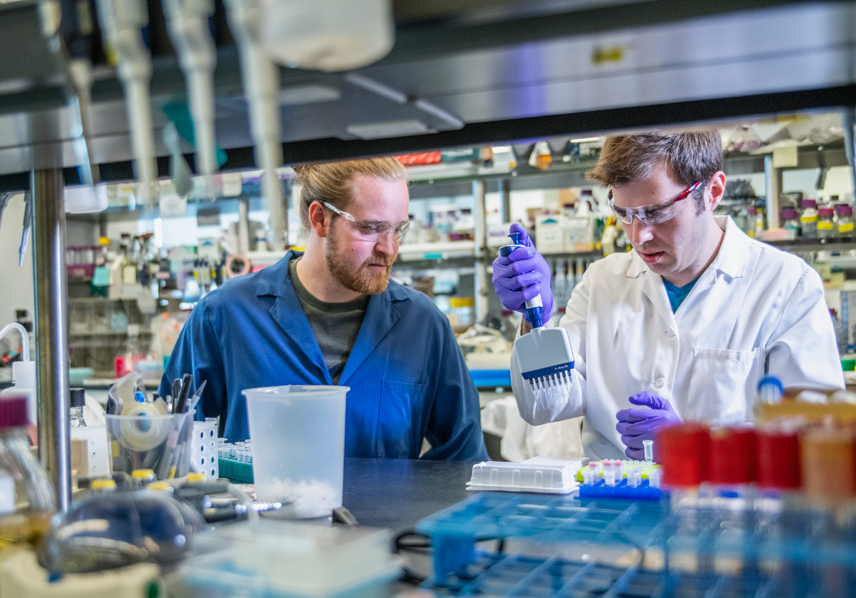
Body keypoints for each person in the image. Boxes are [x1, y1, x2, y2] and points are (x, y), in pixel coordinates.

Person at [493, 131, 844, 461]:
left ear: (712, 191)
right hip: (613, 513)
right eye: (624, 214)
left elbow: (817, 444)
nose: (638, 236)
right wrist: (535, 317)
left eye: (656, 212)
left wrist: (693, 445)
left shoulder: (787, 287)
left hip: (728, 516)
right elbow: (546, 406)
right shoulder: (602, 280)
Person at [161, 157, 485, 460]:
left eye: (397, 229)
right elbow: (172, 451)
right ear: (320, 219)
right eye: (370, 228)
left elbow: (463, 460)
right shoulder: (225, 316)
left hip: (385, 522)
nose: (388, 249)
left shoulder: (422, 325)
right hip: (260, 522)